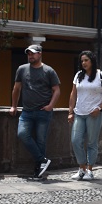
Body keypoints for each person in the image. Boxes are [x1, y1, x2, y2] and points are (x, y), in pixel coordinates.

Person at [10, 44, 61, 178]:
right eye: (28, 54)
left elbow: (57, 90)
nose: (30, 56)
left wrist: (50, 106)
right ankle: (43, 160)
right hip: (26, 111)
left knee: (41, 141)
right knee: (22, 134)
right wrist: (14, 106)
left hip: (43, 111)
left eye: (33, 53)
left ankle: (39, 169)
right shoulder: (22, 69)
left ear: (40, 54)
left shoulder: (48, 71)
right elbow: (16, 89)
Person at [68, 51, 102, 180]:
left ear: (92, 61)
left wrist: (99, 108)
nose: (84, 63)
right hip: (79, 113)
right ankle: (81, 168)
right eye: (82, 61)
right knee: (75, 140)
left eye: (86, 60)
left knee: (92, 143)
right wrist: (70, 112)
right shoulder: (78, 75)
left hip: (94, 114)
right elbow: (73, 93)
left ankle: (90, 170)